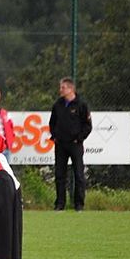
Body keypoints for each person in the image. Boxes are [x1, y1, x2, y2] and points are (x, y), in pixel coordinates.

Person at [49, 77, 92, 211]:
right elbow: (52, 123)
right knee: (60, 175)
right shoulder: (58, 105)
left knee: (78, 174)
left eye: (63, 87)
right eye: (60, 87)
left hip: (75, 145)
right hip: (60, 145)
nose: (60, 90)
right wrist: (55, 136)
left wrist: (79, 138)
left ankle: (79, 204)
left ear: (71, 89)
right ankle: (60, 204)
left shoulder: (81, 104)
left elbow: (87, 125)